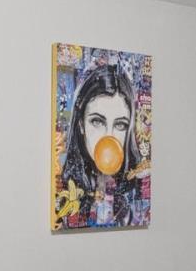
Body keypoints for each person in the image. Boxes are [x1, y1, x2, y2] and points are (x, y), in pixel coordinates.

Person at [57, 63, 147, 227]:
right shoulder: (63, 189)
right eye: (97, 121)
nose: (108, 137)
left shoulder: (138, 187)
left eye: (120, 125)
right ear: (81, 124)